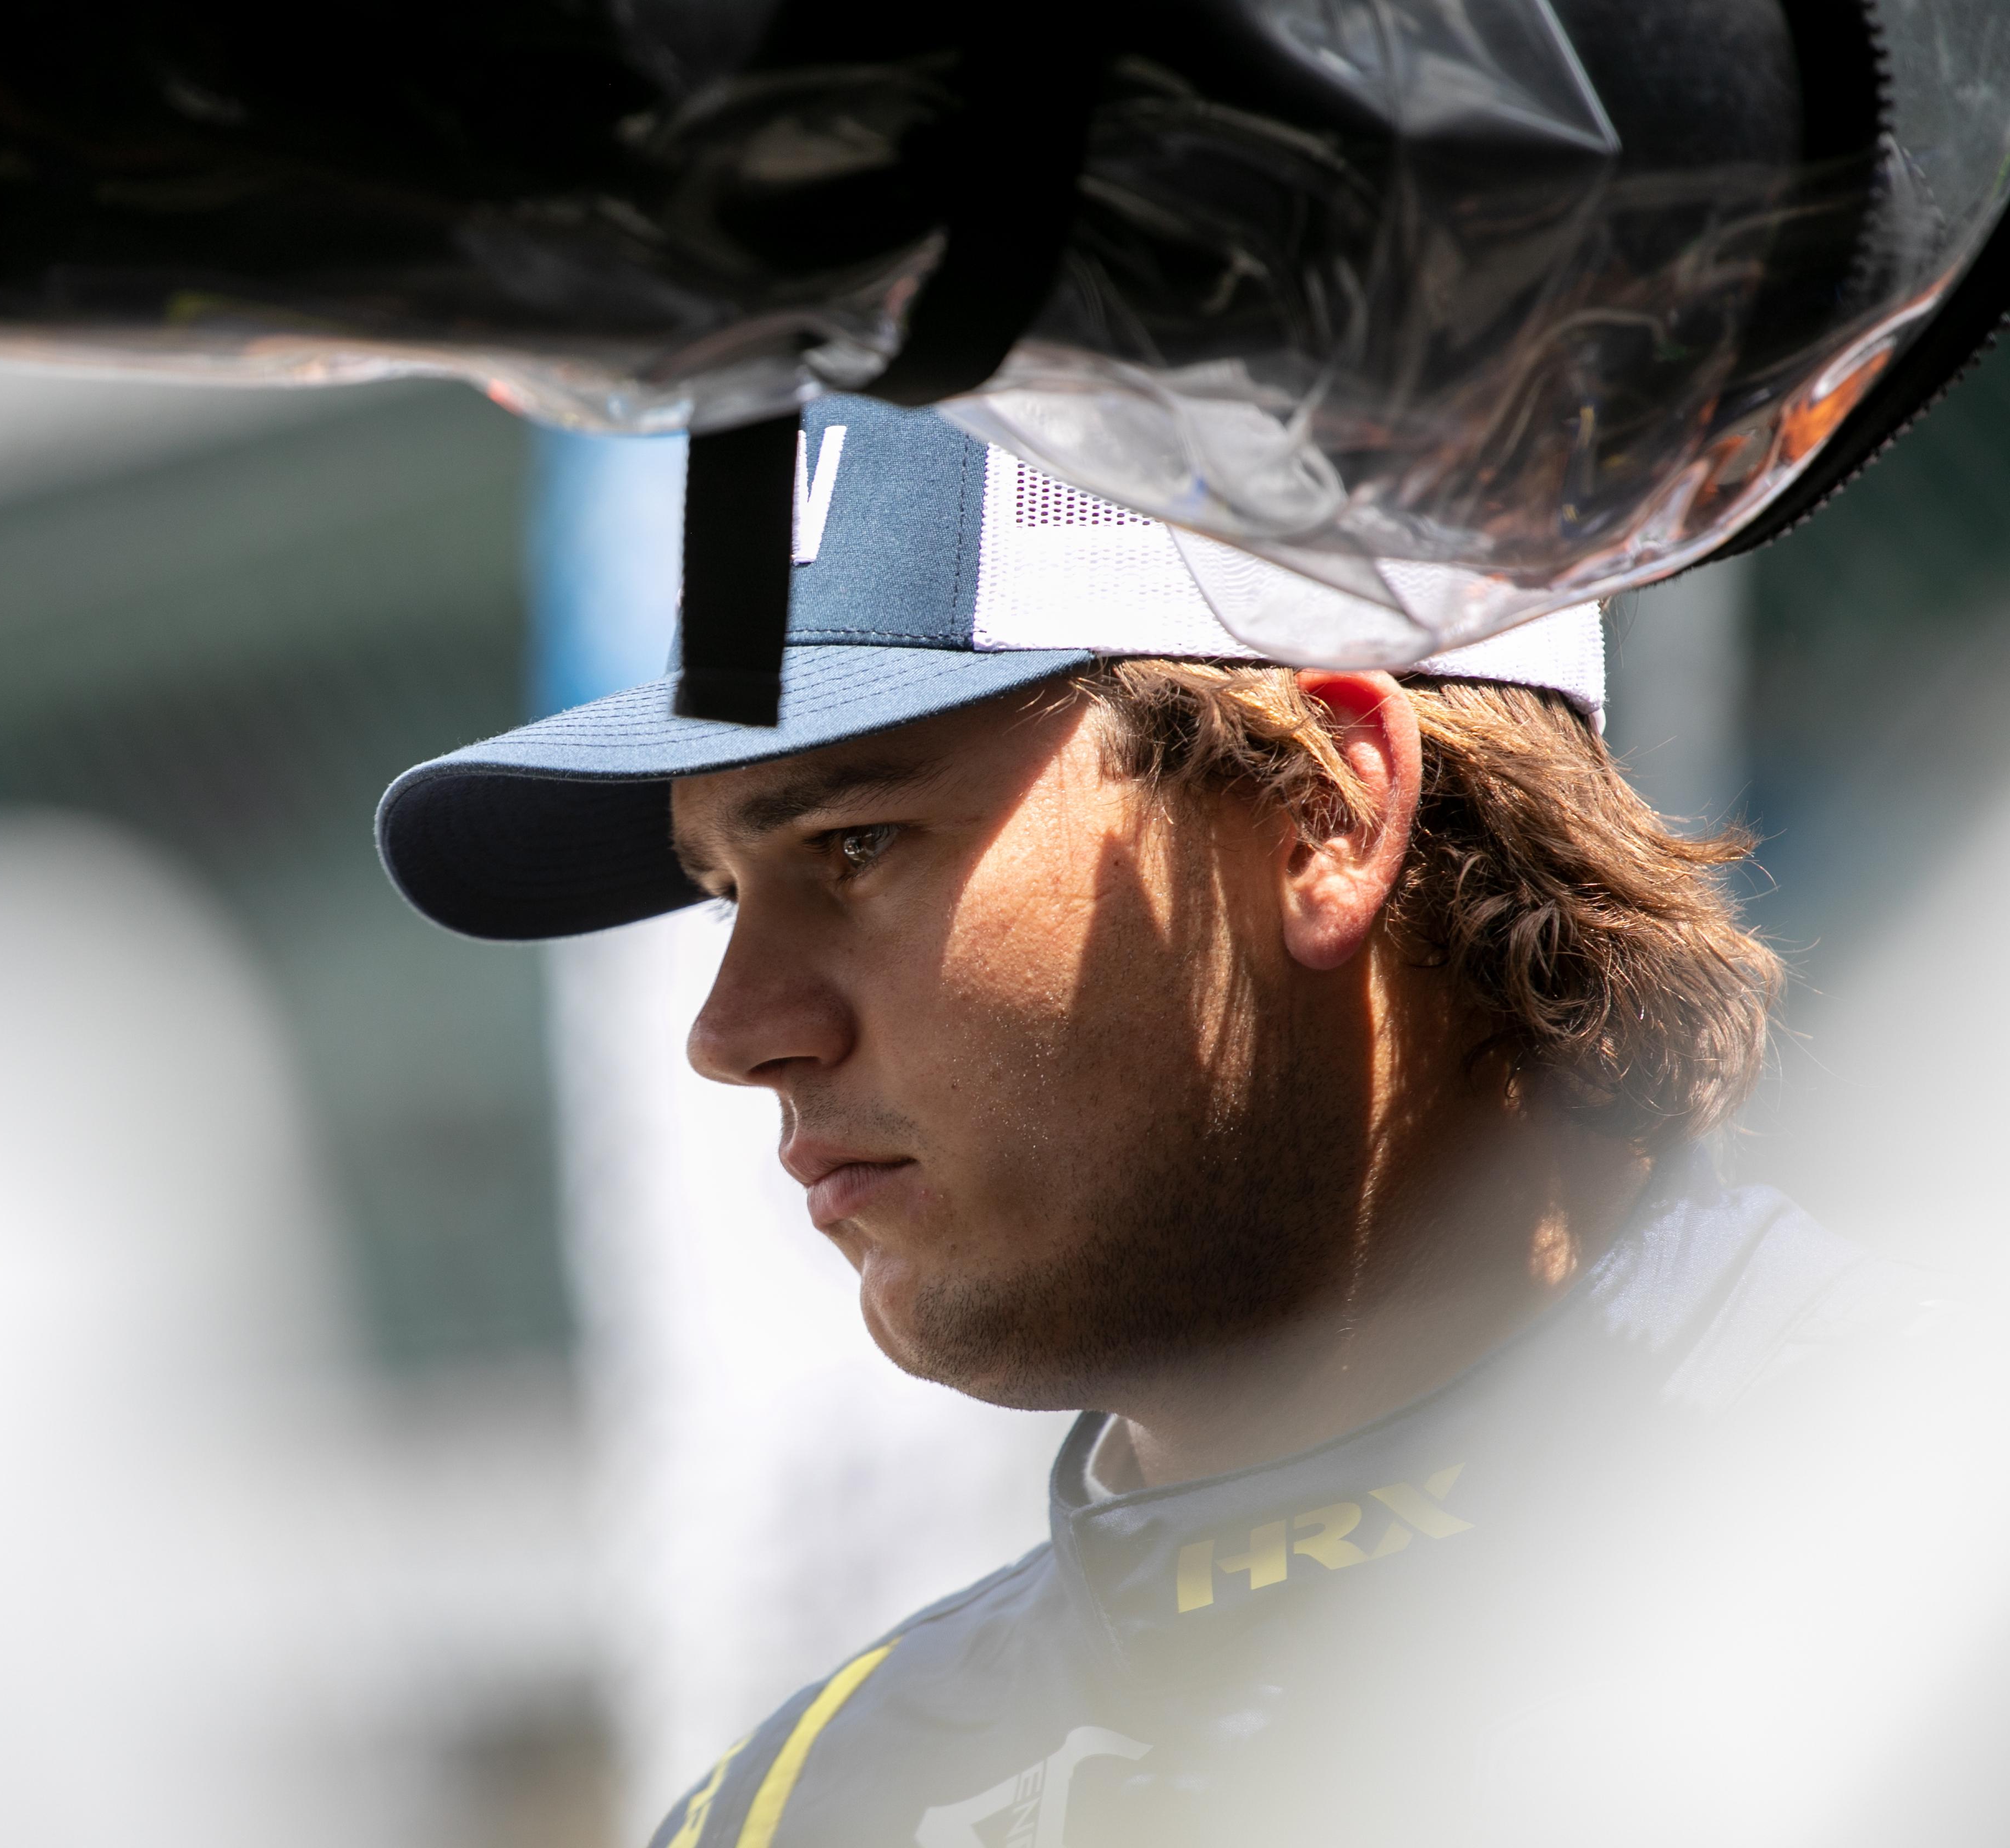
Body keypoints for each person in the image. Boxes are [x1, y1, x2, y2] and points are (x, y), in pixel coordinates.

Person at [376, 399, 1997, 1846]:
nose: (732, 1034)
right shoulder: (803, 1810)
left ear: (1325, 815)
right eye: (726, 892)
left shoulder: (1949, 1577)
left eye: (858, 845)